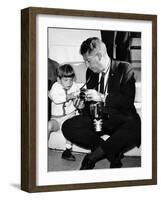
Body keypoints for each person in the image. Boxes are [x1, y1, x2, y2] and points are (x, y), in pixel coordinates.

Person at [62, 37, 141, 169]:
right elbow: (88, 107)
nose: (86, 65)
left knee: (135, 124)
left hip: (119, 120)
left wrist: (103, 97)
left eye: (88, 61)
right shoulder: (91, 72)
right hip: (98, 121)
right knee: (68, 126)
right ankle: (112, 153)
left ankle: (92, 158)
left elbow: (127, 101)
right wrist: (82, 106)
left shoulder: (124, 68)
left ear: (99, 56)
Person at [48, 64, 80, 161]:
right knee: (48, 126)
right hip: (56, 119)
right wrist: (68, 96)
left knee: (72, 124)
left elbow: (77, 100)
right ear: (59, 79)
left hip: (69, 116)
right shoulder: (55, 86)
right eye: (65, 80)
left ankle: (67, 150)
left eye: (71, 79)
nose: (69, 83)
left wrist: (78, 101)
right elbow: (56, 99)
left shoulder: (74, 86)